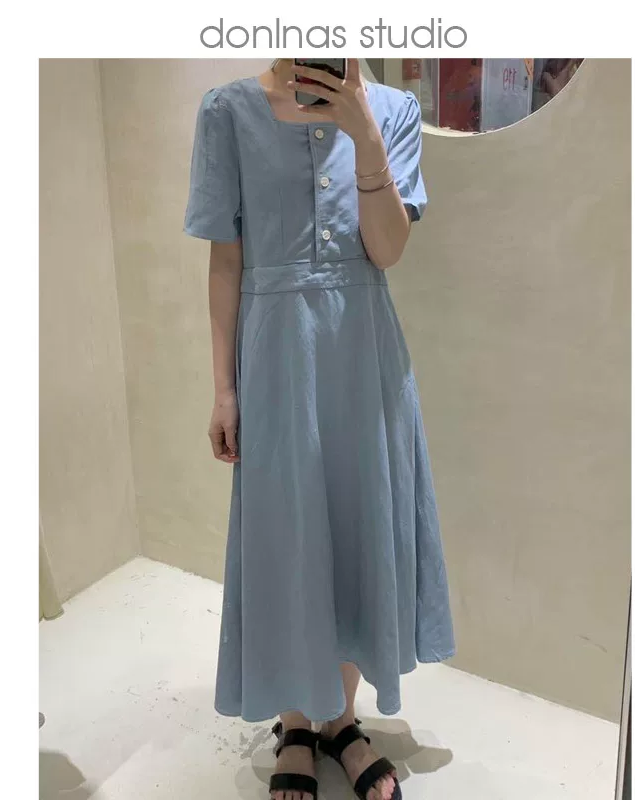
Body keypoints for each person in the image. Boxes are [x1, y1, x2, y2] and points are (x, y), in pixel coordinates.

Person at [184, 58, 455, 800]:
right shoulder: (227, 112)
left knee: (357, 529)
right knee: (290, 534)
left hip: (363, 358)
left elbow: (387, 250)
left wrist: (364, 135)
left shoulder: (393, 111)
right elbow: (226, 260)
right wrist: (224, 389)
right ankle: (297, 723)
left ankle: (341, 719)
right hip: (277, 358)